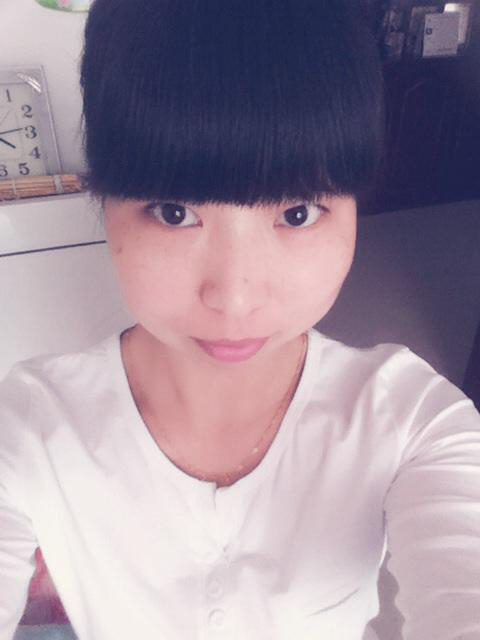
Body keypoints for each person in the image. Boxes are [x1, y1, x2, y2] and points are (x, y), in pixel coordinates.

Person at [1, 1, 479, 639]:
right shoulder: (28, 425)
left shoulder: (414, 422)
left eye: (297, 213)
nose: (234, 299)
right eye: (174, 212)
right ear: (105, 200)